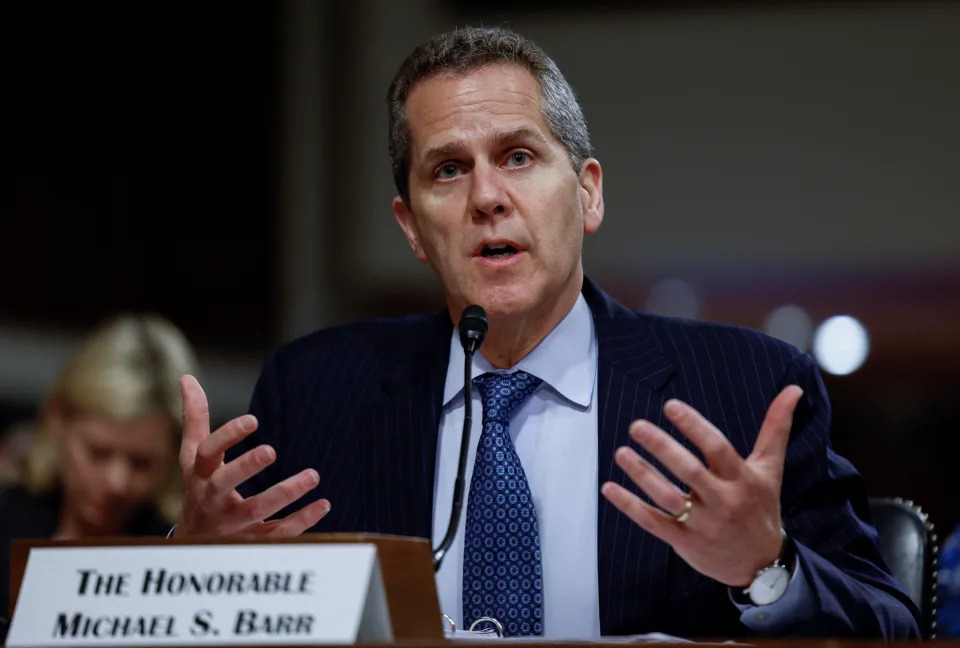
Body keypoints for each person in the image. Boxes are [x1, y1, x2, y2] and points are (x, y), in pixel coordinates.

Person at [172, 27, 920, 639]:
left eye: (519, 158)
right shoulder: (314, 393)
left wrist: (765, 568)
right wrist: (191, 569)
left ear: (587, 192)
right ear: (411, 229)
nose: (487, 197)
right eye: (447, 171)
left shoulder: (746, 390)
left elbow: (891, 627)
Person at [0, 314, 200, 619]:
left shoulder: (175, 553)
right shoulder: (7, 520)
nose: (116, 482)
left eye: (142, 463)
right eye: (97, 453)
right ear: (58, 419)